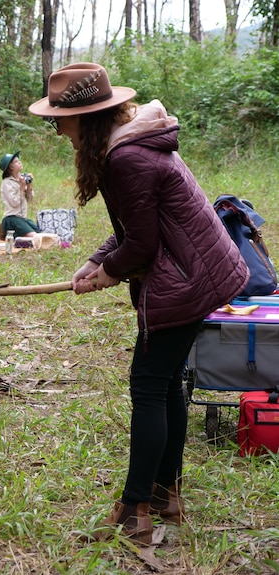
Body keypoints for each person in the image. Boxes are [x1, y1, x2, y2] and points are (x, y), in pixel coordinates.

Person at [29, 62, 248, 544]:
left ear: (86, 118)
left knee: (148, 386)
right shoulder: (131, 143)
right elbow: (137, 226)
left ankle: (134, 511)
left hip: (187, 278)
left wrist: (106, 275)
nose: (56, 128)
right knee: (166, 384)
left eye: (59, 120)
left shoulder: (128, 158)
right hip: (199, 271)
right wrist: (97, 259)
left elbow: (143, 245)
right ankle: (164, 494)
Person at [0, 150, 40, 239]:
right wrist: (21, 188)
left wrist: (28, 185)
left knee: (40, 232)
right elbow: (15, 203)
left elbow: (30, 199)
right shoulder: (7, 183)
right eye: (16, 162)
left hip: (22, 218)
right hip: (11, 219)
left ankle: (16, 235)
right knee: (34, 237)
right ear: (11, 167)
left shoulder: (22, 179)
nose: (19, 162)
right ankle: (5, 230)